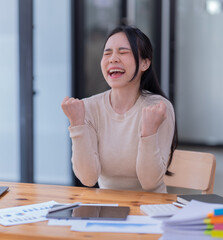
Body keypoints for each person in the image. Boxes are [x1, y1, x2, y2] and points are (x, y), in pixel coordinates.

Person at [61, 25, 177, 193]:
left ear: (145, 63)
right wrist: (77, 125)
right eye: (107, 53)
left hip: (151, 209)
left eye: (123, 53)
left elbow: (150, 182)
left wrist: (149, 132)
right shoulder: (89, 107)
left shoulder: (158, 109)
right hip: (107, 208)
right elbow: (88, 178)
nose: (113, 59)